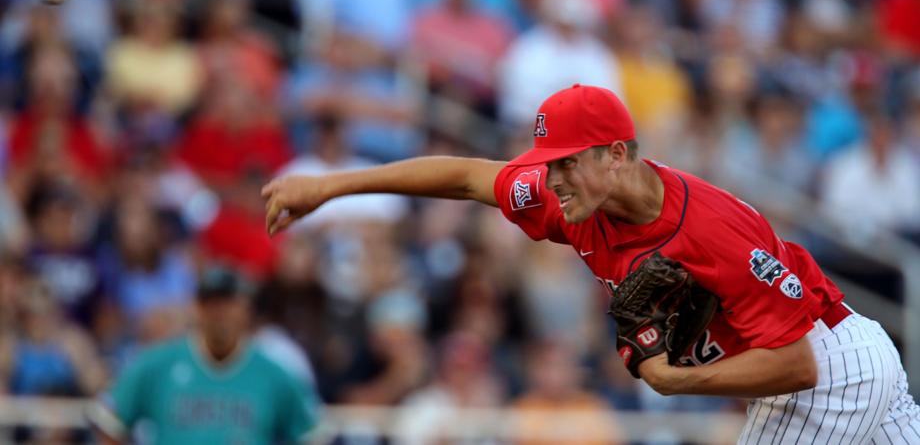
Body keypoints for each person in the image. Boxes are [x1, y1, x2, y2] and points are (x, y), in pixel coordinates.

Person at [263, 83, 920, 443]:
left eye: (567, 162)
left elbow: (798, 362)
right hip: (824, 357)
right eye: (548, 163)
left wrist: (676, 381)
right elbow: (466, 176)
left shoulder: (714, 230)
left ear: (615, 154)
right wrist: (330, 186)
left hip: (830, 371)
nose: (552, 178)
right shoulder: (563, 193)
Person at [88, 267, 321, 445]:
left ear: (246, 309)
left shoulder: (273, 373)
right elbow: (109, 421)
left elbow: (312, 434)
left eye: (229, 304)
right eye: (211, 304)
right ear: (197, 309)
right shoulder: (159, 364)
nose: (220, 314)